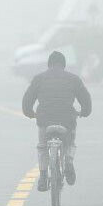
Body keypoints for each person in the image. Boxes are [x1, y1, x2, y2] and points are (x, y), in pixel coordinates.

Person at [22, 51, 92, 191]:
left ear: (49, 64)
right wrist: (84, 112)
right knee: (70, 143)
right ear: (64, 65)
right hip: (67, 119)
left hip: (45, 119)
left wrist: (30, 113)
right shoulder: (74, 79)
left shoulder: (39, 79)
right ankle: (68, 161)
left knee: (42, 146)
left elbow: (27, 101)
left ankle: (42, 176)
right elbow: (86, 100)